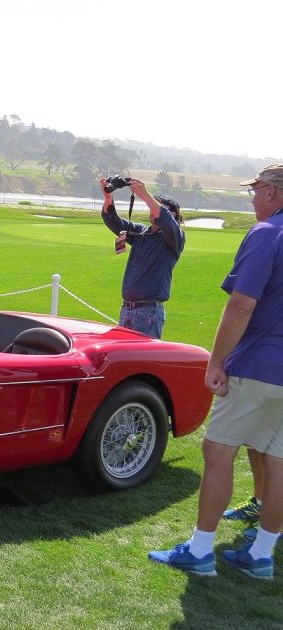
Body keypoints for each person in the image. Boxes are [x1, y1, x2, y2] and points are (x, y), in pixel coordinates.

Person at [148, 164, 283, 580]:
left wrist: (216, 361)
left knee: (219, 452)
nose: (254, 198)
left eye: (256, 190)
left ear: (274, 193)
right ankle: (262, 554)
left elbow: (242, 304)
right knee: (279, 461)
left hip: (259, 363)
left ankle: (201, 549)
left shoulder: (266, 234)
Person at [100, 178, 185, 338]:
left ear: (174, 214)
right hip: (127, 310)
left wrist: (145, 195)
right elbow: (114, 222)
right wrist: (108, 198)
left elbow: (165, 219)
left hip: (148, 313)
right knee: (125, 360)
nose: (153, 210)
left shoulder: (174, 237)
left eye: (157, 207)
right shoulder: (141, 232)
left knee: (144, 361)